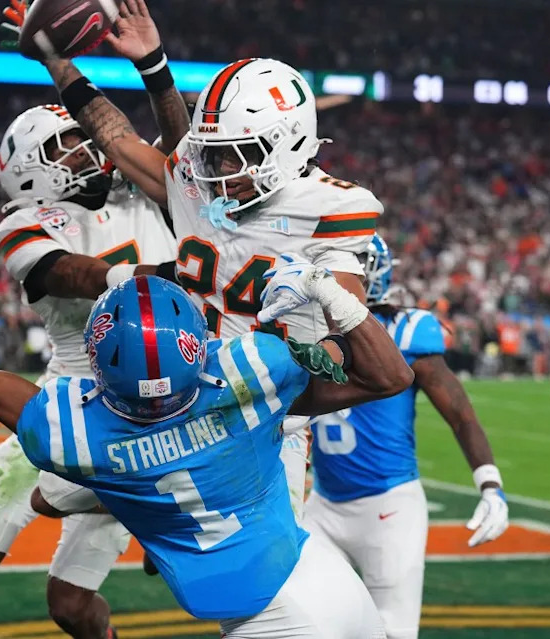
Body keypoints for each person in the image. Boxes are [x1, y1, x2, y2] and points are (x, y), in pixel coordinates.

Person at [0, 212, 412, 637]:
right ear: (198, 347)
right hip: (321, 574)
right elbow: (388, 377)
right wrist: (325, 290)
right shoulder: (250, 374)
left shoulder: (79, 437)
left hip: (268, 619)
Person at [19, 0, 386, 518]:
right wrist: (57, 61)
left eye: (240, 154)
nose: (220, 169)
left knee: (259, 582)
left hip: (262, 420)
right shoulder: (207, 188)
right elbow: (117, 140)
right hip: (179, 399)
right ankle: (167, 508)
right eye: (215, 152)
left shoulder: (331, 208)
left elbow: (349, 331)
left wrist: (309, 357)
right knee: (49, 497)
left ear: (291, 143)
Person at [0, 10, 189, 631]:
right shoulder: (23, 223)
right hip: (60, 410)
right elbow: (70, 273)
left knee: (70, 606)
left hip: (144, 413)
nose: (88, 146)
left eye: (81, 136)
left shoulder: (136, 191)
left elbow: (180, 149)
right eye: (68, 143)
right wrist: (163, 276)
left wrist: (142, 64)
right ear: (30, 168)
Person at [301, 236, 509, 639]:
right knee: (307, 621)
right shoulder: (304, 327)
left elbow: (461, 413)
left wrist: (490, 483)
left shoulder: (407, 330)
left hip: (389, 509)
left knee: (394, 631)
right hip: (323, 506)